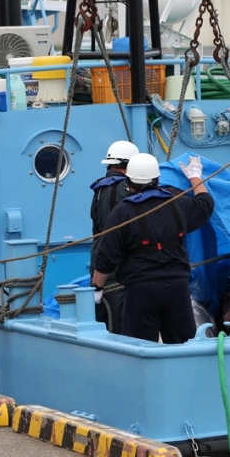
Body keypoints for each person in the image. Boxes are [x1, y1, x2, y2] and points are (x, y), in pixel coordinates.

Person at [91, 153, 214, 344]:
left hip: (141, 291)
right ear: (157, 179)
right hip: (177, 288)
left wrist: (97, 288)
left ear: (129, 182)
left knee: (138, 347)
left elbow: (106, 257)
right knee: (183, 346)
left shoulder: (122, 212)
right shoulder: (178, 203)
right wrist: (194, 176)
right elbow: (206, 204)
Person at [89, 140, 138, 333]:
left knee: (104, 318)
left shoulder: (100, 190)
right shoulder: (126, 189)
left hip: (99, 263)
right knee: (121, 322)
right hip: (118, 267)